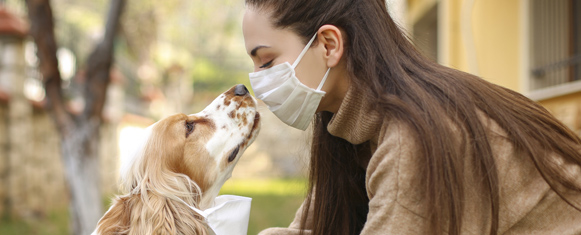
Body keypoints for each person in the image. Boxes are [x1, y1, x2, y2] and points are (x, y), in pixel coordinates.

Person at [241, 0, 581, 234]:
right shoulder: (349, 127)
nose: (257, 81)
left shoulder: (415, 137)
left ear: (329, 45)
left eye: (267, 61)